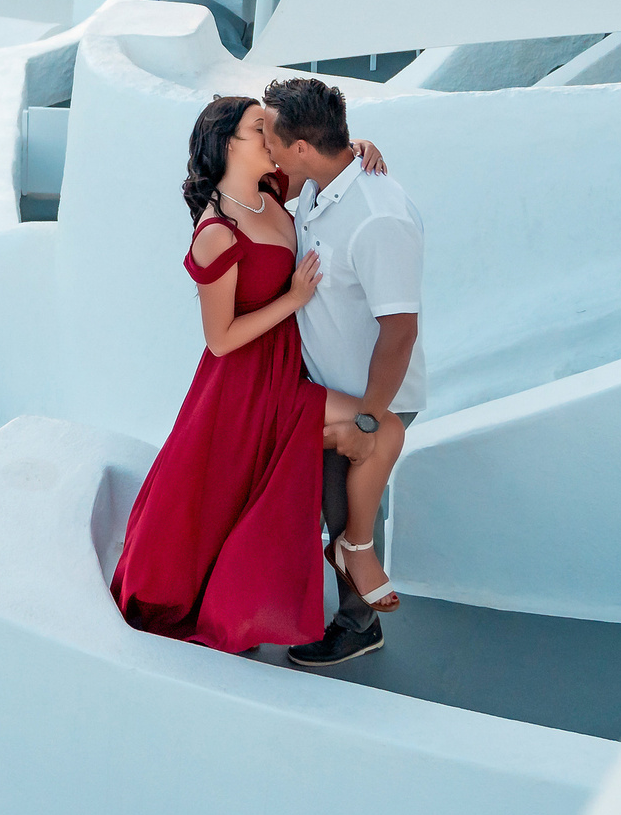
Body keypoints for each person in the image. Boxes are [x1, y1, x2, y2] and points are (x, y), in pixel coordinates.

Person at [111, 97, 327, 653]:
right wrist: (295, 298)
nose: (272, 135)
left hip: (285, 366)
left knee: (243, 493)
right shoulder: (217, 231)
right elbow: (220, 337)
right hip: (240, 385)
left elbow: (322, 166)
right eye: (261, 128)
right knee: (220, 499)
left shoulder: (274, 189)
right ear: (228, 142)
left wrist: (361, 153)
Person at [262, 76, 422, 668]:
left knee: (345, 509)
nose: (270, 152)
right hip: (323, 387)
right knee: (327, 508)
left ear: (302, 146)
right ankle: (346, 581)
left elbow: (400, 331)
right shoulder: (318, 183)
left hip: (369, 395)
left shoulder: (379, 218)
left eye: (275, 141)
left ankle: (358, 626)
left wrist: (369, 418)